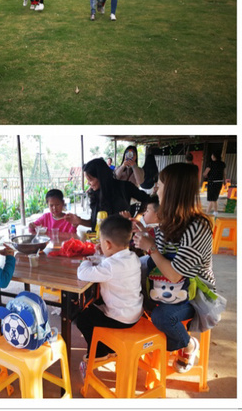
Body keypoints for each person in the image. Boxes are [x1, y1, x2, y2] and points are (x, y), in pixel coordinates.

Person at [132, 162, 215, 372]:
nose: (155, 190)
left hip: (193, 294)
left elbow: (175, 275)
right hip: (166, 287)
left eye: (159, 186)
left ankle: (188, 344)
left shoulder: (197, 227)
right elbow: (158, 263)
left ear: (173, 191)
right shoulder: (166, 223)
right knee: (132, 296)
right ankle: (164, 341)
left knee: (162, 316)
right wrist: (142, 239)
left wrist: (150, 248)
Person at [75, 214, 142, 375]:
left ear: (108, 244)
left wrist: (85, 260)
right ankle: (107, 347)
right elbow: (109, 265)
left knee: (82, 318)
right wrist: (103, 254)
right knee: (94, 307)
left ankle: (100, 352)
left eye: (101, 242)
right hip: (134, 313)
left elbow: (83, 273)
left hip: (120, 318)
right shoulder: (132, 256)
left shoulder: (111, 266)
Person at [67, 158, 150, 231]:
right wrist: (80, 221)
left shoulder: (124, 187)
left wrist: (136, 219)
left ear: (101, 177)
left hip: (121, 240)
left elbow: (146, 199)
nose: (88, 183)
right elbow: (95, 224)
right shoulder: (94, 193)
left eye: (90, 180)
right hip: (100, 242)